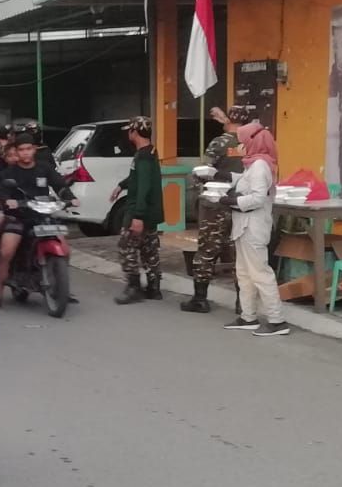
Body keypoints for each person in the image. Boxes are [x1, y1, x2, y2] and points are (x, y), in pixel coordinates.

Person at [0, 136, 72, 312]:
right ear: (17, 152)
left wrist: (70, 197)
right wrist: (7, 201)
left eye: (29, 148)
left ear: (34, 149)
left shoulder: (44, 168)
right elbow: (2, 192)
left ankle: (62, 287)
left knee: (65, 248)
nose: (25, 152)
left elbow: (59, 185)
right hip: (17, 217)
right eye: (21, 149)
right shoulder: (9, 173)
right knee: (6, 253)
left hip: (41, 216)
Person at [181, 106, 253, 313]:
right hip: (242, 204)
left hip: (215, 205)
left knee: (207, 250)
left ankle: (200, 299)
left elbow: (203, 172)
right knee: (240, 253)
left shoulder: (220, 142)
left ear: (228, 120)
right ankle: (243, 304)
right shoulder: (252, 143)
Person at [220, 123, 287, 337]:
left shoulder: (260, 166)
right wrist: (221, 176)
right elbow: (243, 182)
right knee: (244, 273)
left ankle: (277, 321)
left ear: (253, 141)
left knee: (260, 273)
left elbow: (258, 197)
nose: (240, 145)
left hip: (253, 226)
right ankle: (248, 316)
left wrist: (233, 200)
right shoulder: (254, 164)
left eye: (242, 141)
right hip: (244, 226)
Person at [111, 116, 164, 304]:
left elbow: (144, 187)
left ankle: (133, 287)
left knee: (126, 247)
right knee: (149, 248)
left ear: (134, 132)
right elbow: (139, 178)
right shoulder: (150, 153)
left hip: (138, 210)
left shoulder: (143, 156)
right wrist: (121, 185)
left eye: (129, 130)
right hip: (151, 212)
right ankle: (154, 287)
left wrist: (138, 216)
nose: (128, 133)